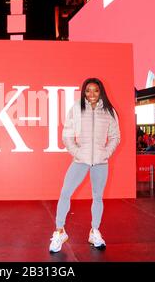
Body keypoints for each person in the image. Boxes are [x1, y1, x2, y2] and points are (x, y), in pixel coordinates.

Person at [49, 78, 120, 253]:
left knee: (97, 197)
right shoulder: (76, 109)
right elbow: (67, 135)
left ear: (101, 91)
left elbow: (115, 137)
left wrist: (106, 153)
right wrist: (78, 153)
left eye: (96, 91)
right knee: (65, 193)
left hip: (101, 162)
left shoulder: (109, 111)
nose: (92, 94)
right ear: (84, 92)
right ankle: (59, 231)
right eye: (88, 91)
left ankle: (95, 231)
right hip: (80, 160)